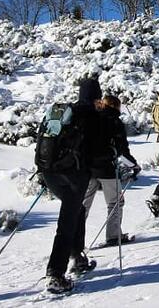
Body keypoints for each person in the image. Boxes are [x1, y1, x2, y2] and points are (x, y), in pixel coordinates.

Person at [40, 78, 100, 294]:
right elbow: (98, 151)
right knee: (66, 222)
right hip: (73, 176)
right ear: (96, 96)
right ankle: (56, 273)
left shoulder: (67, 112)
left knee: (77, 211)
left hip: (50, 172)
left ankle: (78, 256)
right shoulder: (91, 116)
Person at [82, 95, 140, 246]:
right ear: (115, 106)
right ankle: (113, 236)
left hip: (88, 168)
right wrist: (133, 166)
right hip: (107, 169)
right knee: (115, 203)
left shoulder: (92, 118)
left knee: (83, 204)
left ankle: (75, 241)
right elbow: (122, 150)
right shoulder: (115, 121)